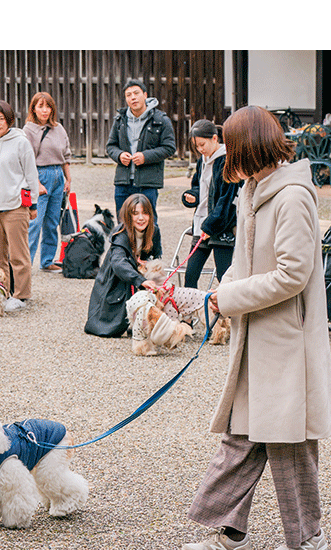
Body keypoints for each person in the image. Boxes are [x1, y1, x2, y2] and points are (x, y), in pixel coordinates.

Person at [183, 106, 331, 550]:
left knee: (289, 445)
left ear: (252, 147)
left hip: (286, 342)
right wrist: (220, 289)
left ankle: (309, 539)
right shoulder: (253, 188)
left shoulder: (292, 196)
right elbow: (245, 262)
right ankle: (229, 532)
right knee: (242, 436)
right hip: (256, 337)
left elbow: (293, 274)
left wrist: (226, 299)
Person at [0, 98, 39, 312]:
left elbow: (31, 174)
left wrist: (33, 204)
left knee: (18, 255)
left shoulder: (21, 142)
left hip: (15, 206)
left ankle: (21, 295)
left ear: (9, 119)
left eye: (1, 118)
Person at [83, 193, 161, 337]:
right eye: (135, 214)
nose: (141, 218)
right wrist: (141, 280)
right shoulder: (120, 234)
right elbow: (119, 263)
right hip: (117, 278)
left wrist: (147, 264)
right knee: (110, 327)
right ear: (127, 216)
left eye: (145, 213)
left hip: (139, 274)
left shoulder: (154, 231)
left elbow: (156, 256)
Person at [105, 79, 176, 221]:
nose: (133, 97)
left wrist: (146, 156)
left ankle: (152, 245)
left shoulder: (161, 119)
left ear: (145, 95)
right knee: (122, 224)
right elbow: (110, 146)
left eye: (136, 93)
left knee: (148, 224)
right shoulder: (120, 119)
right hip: (123, 182)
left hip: (147, 183)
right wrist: (119, 155)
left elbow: (169, 147)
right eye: (128, 95)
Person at [181, 119, 240, 288]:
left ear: (215, 139)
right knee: (190, 273)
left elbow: (226, 200)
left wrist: (210, 226)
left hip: (221, 226)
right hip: (202, 223)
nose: (200, 149)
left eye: (202, 144)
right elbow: (198, 187)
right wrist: (191, 196)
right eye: (197, 147)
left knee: (224, 276)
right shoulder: (202, 160)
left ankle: (229, 312)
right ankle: (190, 311)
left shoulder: (226, 161)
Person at [23, 91, 72, 272]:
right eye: (40, 106)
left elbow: (66, 155)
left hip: (58, 174)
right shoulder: (28, 130)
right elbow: (27, 160)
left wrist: (68, 178)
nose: (45, 110)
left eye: (48, 106)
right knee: (34, 222)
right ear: (33, 109)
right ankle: (25, 264)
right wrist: (36, 182)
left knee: (52, 222)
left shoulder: (58, 128)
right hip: (40, 174)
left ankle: (47, 260)